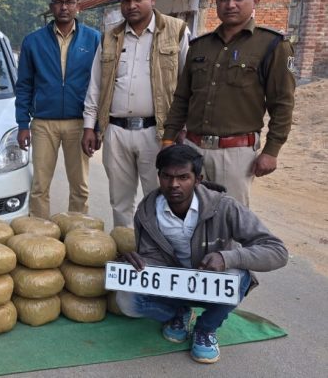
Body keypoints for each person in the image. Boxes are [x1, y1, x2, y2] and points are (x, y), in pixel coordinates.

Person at [116, 144, 288, 364]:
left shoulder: (224, 207)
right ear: (159, 176)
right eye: (167, 176)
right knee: (126, 299)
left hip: (212, 285)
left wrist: (227, 258)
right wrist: (138, 262)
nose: (174, 184)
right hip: (175, 288)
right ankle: (179, 314)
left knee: (237, 275)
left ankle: (205, 329)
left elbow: (278, 251)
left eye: (183, 177)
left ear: (198, 179)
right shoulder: (147, 212)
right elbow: (153, 258)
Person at [162, 0, 296, 206]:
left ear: (255, 1)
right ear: (217, 3)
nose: (230, 4)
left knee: (229, 218)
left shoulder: (273, 45)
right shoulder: (200, 46)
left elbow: (282, 103)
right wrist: (169, 139)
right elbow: (182, 97)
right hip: (193, 148)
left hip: (235, 154)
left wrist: (271, 150)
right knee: (189, 213)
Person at [82, 0, 190, 228]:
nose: (131, 5)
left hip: (158, 133)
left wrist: (182, 127)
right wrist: (89, 126)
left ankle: (159, 247)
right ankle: (126, 245)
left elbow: (189, 84)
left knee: (160, 196)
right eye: (126, 0)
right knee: (120, 200)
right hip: (116, 131)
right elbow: (95, 85)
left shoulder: (176, 31)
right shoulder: (110, 37)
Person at [15, 0, 101, 218]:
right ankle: (39, 234)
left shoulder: (94, 39)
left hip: (79, 123)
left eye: (70, 2)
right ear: (51, 6)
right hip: (43, 123)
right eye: (59, 2)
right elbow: (24, 85)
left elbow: (100, 86)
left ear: (78, 6)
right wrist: (22, 123)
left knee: (80, 187)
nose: (64, 7)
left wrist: (96, 127)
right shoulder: (33, 41)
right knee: (40, 187)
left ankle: (78, 231)